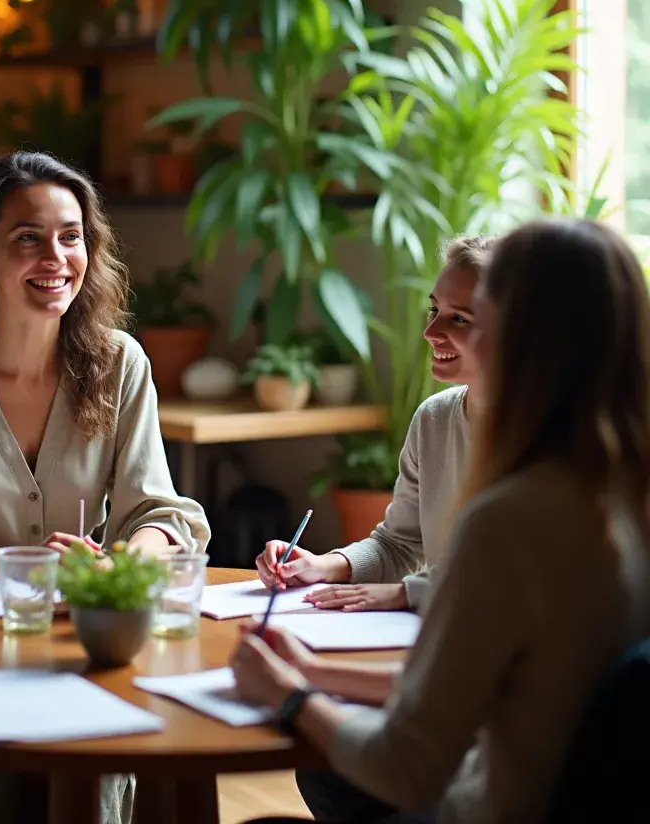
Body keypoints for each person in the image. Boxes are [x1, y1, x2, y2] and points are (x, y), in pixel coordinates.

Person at [232, 218, 650, 824]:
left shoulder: (510, 518)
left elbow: (407, 764)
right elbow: (507, 682)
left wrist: (289, 697)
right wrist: (314, 669)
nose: (433, 332)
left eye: (475, 317)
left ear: (528, 338)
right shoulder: (620, 488)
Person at [0, 150, 211, 823]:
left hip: (87, 646)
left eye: (71, 236)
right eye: (28, 238)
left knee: (131, 745)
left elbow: (160, 513)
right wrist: (26, 570)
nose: (55, 257)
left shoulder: (120, 364)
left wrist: (112, 567)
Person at [256, 235, 494, 615]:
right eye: (434, 310)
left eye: (459, 318)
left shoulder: (552, 435)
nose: (430, 333)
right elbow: (398, 545)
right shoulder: (434, 419)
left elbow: (515, 576)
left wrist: (405, 593)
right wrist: (324, 565)